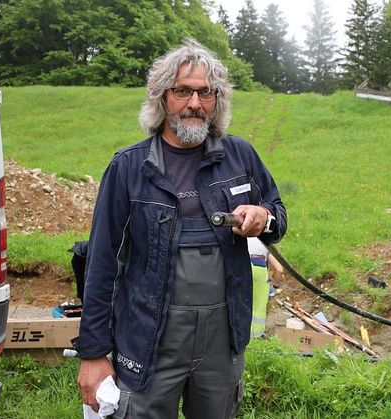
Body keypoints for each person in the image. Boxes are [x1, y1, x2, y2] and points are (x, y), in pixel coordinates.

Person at [75, 39, 287, 419]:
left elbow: (277, 216)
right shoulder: (128, 168)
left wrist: (263, 216)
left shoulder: (241, 157)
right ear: (161, 98)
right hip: (148, 339)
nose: (194, 103)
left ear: (217, 99)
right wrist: (92, 354)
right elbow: (101, 264)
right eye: (182, 91)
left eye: (205, 92)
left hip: (222, 343)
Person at [247, 237, 283, 338]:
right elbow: (279, 269)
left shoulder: (241, 235)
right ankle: (256, 336)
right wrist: (275, 286)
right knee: (258, 307)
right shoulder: (265, 241)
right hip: (259, 268)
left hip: (241, 266)